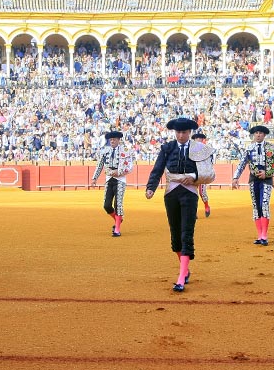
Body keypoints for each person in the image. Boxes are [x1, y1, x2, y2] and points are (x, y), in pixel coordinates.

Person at [146, 118, 215, 292]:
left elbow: (210, 174)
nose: (181, 135)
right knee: (176, 235)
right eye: (178, 132)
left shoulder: (200, 149)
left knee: (186, 233)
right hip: (171, 193)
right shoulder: (167, 148)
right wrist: (151, 188)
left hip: (190, 194)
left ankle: (181, 277)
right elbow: (158, 169)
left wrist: (193, 177)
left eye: (184, 132)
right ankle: (185, 270)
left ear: (190, 133)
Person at [232, 125, 274, 246]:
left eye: (260, 133)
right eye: (256, 133)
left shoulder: (271, 148)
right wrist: (235, 177)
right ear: (253, 135)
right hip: (253, 179)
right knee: (256, 206)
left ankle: (264, 235)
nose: (258, 135)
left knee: (264, 204)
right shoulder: (249, 148)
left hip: (267, 180)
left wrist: (266, 173)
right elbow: (242, 163)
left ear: (264, 135)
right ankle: (259, 235)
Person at [91, 131, 134, 237]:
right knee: (106, 205)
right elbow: (100, 165)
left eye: (114, 139)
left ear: (119, 140)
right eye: (111, 140)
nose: (112, 141)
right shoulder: (105, 151)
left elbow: (130, 167)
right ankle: (118, 220)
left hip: (120, 180)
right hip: (109, 178)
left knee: (118, 204)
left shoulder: (126, 151)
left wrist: (119, 172)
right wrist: (94, 178)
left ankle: (117, 229)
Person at [191, 133, 211, 218]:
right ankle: (194, 211)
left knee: (202, 192)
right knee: (192, 193)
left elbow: (209, 162)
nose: (198, 140)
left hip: (202, 174)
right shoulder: (190, 149)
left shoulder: (206, 150)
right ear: (194, 140)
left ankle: (206, 206)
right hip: (193, 174)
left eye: (200, 138)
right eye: (197, 138)